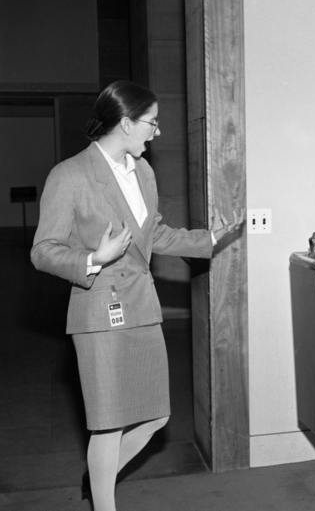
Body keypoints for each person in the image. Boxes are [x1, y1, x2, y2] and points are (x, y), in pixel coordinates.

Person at [31, 80, 244, 511]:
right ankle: (104, 502)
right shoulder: (69, 175)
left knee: (156, 417)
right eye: (152, 122)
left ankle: (98, 476)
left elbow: (153, 233)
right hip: (99, 310)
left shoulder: (142, 171)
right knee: (108, 424)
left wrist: (209, 238)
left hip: (142, 307)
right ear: (126, 124)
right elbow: (42, 251)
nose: (157, 131)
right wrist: (94, 258)